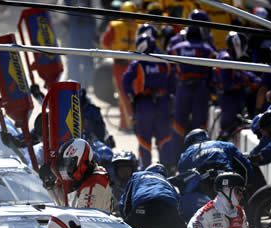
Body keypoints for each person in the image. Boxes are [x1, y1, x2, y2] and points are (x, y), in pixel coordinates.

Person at [123, 34, 177, 170]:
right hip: (163, 103)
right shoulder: (165, 61)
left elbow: (126, 80)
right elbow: (173, 81)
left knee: (144, 139)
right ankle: (167, 169)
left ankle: (145, 169)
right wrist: (169, 95)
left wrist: (132, 96)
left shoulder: (139, 61)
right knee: (164, 138)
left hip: (144, 104)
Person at [119, 163, 192, 228]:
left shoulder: (137, 175)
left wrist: (128, 221)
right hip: (167, 209)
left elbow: (124, 202)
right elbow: (178, 206)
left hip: (143, 208)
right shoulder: (167, 182)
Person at [169, 10, 216, 139]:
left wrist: (171, 90)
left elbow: (169, 69)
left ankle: (176, 152)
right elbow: (214, 70)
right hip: (200, 88)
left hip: (181, 87)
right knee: (199, 124)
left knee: (178, 122)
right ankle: (198, 151)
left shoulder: (176, 46)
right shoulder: (207, 48)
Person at [43, 138, 115, 213]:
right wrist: (52, 187)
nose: (68, 170)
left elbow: (82, 219)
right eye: (66, 166)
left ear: (82, 160)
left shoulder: (93, 184)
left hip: (97, 224)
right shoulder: (88, 177)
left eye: (70, 165)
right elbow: (68, 207)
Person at [100, 1, 138, 131]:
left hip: (121, 64)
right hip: (136, 64)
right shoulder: (139, 25)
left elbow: (104, 44)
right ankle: (125, 124)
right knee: (132, 94)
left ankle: (130, 125)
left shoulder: (115, 26)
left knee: (123, 95)